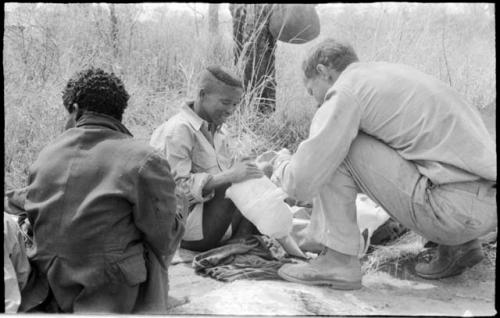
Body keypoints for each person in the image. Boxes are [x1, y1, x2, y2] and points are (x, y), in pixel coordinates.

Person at [272, 38, 496, 289]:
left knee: (337, 148)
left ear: (323, 72)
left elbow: (302, 183)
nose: (315, 102)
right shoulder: (388, 76)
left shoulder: (346, 91)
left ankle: (338, 261)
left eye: (312, 90)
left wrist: (281, 165)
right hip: (485, 209)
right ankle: (460, 247)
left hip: (451, 212)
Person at [17, 68, 185, 313]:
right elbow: (164, 240)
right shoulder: (144, 158)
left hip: (50, 287)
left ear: (75, 110)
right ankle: (151, 305)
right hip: (109, 292)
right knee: (166, 219)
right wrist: (180, 202)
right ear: (119, 113)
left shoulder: (47, 154)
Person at [150, 66, 263, 252]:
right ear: (202, 95)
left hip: (215, 222)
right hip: (180, 228)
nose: (231, 110)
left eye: (236, 104)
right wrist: (228, 177)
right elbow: (175, 191)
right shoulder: (178, 130)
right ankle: (239, 239)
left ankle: (241, 239)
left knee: (258, 173)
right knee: (230, 184)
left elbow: (229, 174)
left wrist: (244, 169)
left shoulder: (220, 131)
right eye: (226, 102)